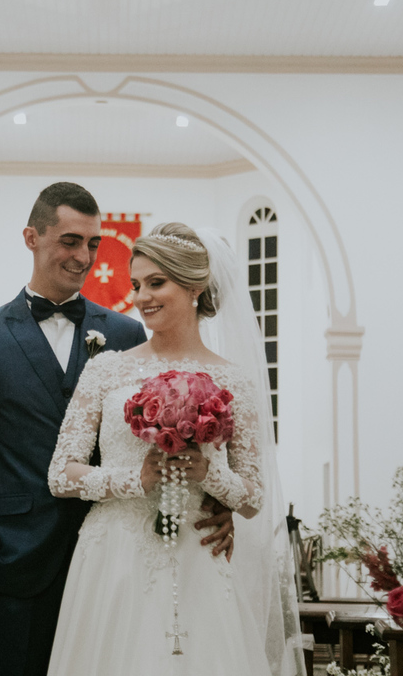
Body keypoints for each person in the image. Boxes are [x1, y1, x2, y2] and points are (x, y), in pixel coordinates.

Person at [0, 184, 234, 676]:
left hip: (114, 561)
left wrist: (214, 500)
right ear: (32, 238)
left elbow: (168, 436)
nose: (83, 256)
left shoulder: (126, 332)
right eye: (70, 241)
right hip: (16, 562)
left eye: (93, 244)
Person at [46, 222, 306, 676]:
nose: (142, 297)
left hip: (198, 555)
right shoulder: (105, 370)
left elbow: (253, 499)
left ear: (194, 287)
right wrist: (134, 479)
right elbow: (60, 474)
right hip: (115, 558)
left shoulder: (234, 381)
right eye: (136, 285)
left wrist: (208, 473)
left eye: (156, 283)